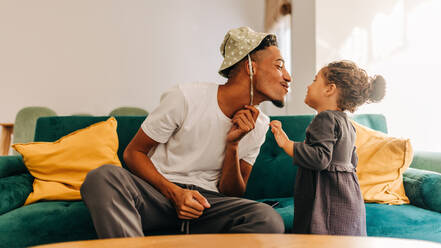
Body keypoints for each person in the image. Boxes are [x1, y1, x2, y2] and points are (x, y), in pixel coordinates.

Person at [80, 26, 292, 238]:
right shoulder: (186, 97)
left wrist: (233, 146)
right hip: (158, 196)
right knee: (102, 177)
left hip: (208, 206)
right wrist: (175, 193)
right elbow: (133, 153)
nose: (288, 77)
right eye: (279, 66)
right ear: (250, 67)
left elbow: (233, 193)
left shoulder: (261, 125)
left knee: (267, 218)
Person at [269, 60, 386, 235]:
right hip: (348, 197)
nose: (308, 86)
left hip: (327, 201)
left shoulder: (325, 119)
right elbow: (352, 160)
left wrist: (286, 143)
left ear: (329, 89)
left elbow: (319, 158)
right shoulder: (347, 124)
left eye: (315, 80)